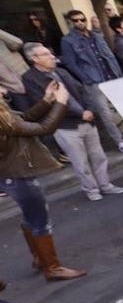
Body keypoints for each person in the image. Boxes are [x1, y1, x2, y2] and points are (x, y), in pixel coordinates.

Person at [0, 82, 87, 281]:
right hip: (16, 173)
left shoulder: (3, 113)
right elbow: (43, 127)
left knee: (31, 217)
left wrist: (47, 100)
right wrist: (61, 103)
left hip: (9, 172)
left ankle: (41, 258)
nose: (3, 90)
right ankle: (53, 268)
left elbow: (24, 120)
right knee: (40, 220)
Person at [21, 43, 123, 201]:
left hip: (87, 120)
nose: (51, 56)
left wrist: (90, 109)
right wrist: (80, 112)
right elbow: (43, 104)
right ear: (34, 58)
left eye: (50, 52)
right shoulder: (30, 79)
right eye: (45, 54)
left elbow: (82, 91)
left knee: (98, 156)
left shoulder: (61, 71)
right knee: (80, 161)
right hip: (65, 125)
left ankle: (105, 185)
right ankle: (91, 190)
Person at [60, 10, 123, 152]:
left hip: (111, 75)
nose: (80, 22)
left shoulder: (97, 36)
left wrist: (118, 73)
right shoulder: (68, 40)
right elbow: (70, 63)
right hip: (94, 80)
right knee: (106, 114)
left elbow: (109, 56)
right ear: (70, 22)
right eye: (75, 20)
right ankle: (119, 140)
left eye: (82, 19)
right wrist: (86, 78)